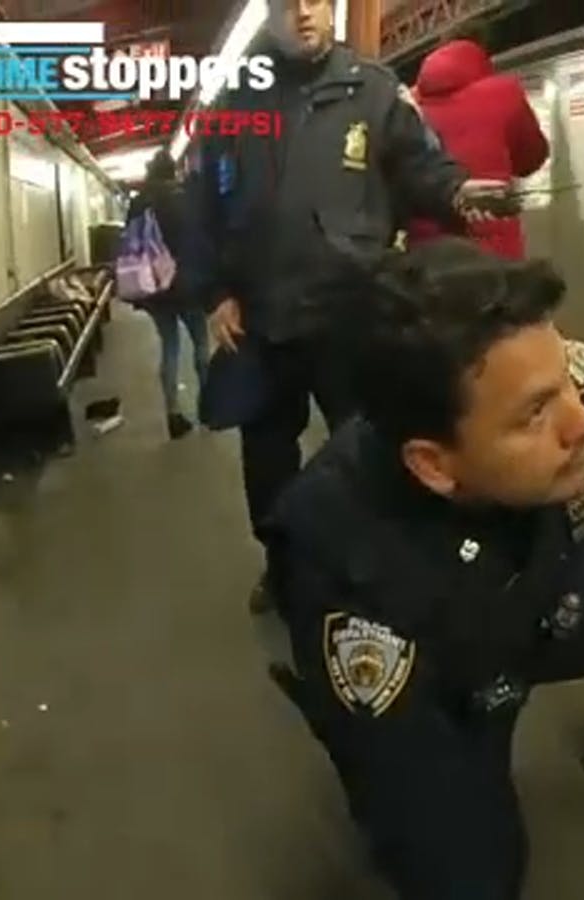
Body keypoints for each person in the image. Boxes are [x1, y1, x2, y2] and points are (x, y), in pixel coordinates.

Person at [258, 238, 584, 898]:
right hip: (443, 671)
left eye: (566, 386)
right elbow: (397, 736)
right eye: (537, 414)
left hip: (538, 595)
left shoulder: (515, 367)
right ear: (433, 464)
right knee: (476, 874)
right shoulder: (346, 563)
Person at [190, 0, 498, 610]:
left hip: (351, 312)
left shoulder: (374, 91)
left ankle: (376, 564)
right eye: (287, 5)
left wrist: (458, 192)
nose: (303, 15)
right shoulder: (234, 102)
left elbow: (421, 167)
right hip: (262, 316)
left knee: (369, 448)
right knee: (268, 462)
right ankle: (284, 568)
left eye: (314, 2)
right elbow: (204, 202)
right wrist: (216, 292)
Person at [406, 37, 548, 260]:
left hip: (425, 250)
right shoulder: (505, 92)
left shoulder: (408, 102)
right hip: (491, 249)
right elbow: (532, 158)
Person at [125, 150, 209, 440]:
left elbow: (130, 247)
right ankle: (207, 406)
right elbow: (199, 240)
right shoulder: (184, 197)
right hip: (187, 285)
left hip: (154, 288)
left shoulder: (138, 202)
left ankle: (172, 414)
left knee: (170, 348)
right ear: (173, 171)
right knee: (200, 345)